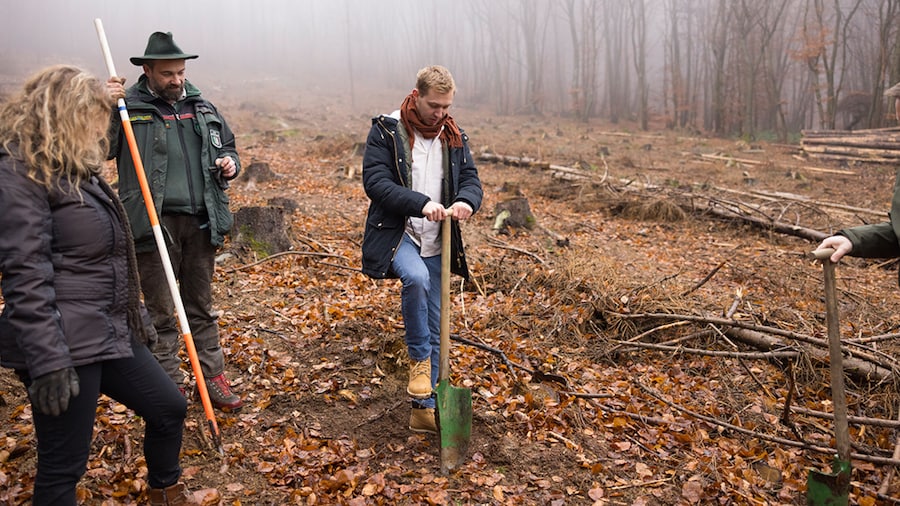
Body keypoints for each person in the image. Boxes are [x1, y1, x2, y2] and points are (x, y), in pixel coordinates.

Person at [0, 65, 201, 505]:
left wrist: (136, 320)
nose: (99, 126)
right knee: (62, 467)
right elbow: (25, 277)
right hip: (62, 343)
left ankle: (165, 492)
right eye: (93, 115)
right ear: (65, 114)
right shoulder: (20, 176)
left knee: (168, 407)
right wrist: (50, 362)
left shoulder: (74, 168)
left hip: (107, 331)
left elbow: (109, 259)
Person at [108, 31, 242, 412]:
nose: (177, 80)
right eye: (168, 73)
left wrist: (230, 164)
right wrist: (105, 107)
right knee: (162, 311)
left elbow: (228, 147)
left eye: (181, 72)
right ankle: (169, 385)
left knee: (200, 306)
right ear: (147, 70)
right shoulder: (128, 109)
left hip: (201, 223)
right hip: (152, 225)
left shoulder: (203, 108)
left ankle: (212, 376)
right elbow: (101, 148)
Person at [361, 65, 483, 434]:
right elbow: (376, 182)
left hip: (437, 244)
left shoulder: (454, 137)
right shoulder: (386, 131)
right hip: (398, 235)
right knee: (413, 278)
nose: (440, 113)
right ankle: (418, 365)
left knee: (435, 324)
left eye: (446, 106)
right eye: (434, 105)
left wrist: (465, 202)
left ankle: (423, 409)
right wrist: (420, 202)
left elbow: (471, 180)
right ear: (416, 96)